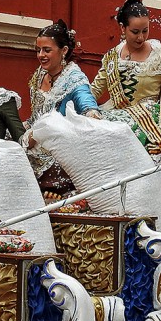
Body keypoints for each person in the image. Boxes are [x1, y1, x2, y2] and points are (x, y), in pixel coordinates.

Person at [89, 0, 161, 164]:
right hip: (116, 114)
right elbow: (94, 91)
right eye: (135, 32)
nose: (141, 37)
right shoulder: (111, 57)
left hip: (151, 119)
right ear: (122, 28)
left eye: (145, 31)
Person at [23, 19, 100, 195]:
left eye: (47, 50)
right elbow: (35, 115)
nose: (41, 55)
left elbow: (87, 104)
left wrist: (92, 114)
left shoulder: (74, 80)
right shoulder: (40, 73)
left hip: (57, 150)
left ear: (64, 50)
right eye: (38, 50)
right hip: (32, 139)